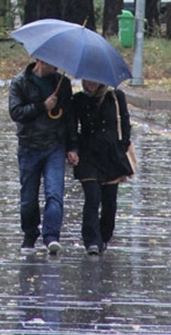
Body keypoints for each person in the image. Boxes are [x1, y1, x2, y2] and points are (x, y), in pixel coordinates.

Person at [9, 59, 77, 255]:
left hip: (54, 146)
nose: (56, 65)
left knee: (54, 193)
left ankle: (52, 236)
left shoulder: (61, 83)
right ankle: (30, 234)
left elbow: (69, 116)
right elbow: (16, 112)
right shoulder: (20, 82)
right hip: (29, 146)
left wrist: (72, 146)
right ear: (40, 60)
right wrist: (42, 106)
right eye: (51, 61)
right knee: (28, 198)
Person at [67, 80, 134, 256]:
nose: (88, 84)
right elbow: (72, 127)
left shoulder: (116, 97)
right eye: (85, 80)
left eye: (92, 81)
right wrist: (72, 149)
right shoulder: (78, 100)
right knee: (92, 198)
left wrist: (122, 146)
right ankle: (91, 241)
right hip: (88, 154)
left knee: (110, 202)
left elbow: (125, 124)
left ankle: (104, 236)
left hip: (111, 155)